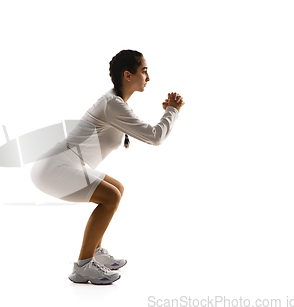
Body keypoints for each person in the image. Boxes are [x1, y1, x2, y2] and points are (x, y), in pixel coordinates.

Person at [30, 49, 185, 285]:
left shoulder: (115, 103)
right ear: (128, 75)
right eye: (144, 71)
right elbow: (155, 137)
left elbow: (142, 130)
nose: (148, 77)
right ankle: (83, 266)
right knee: (110, 197)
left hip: (66, 164)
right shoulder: (112, 104)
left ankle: (95, 250)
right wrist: (172, 110)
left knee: (117, 188)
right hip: (53, 168)